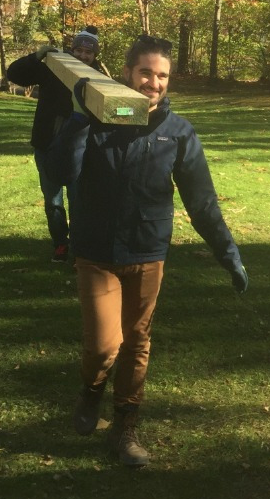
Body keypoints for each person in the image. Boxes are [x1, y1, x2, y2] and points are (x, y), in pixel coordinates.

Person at [47, 33, 248, 467]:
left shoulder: (177, 132)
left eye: (162, 76)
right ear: (126, 73)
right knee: (104, 346)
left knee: (137, 342)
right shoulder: (94, 119)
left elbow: (201, 201)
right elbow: (60, 173)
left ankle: (125, 427)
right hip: (96, 251)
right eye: (145, 73)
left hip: (147, 251)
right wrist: (80, 122)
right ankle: (91, 391)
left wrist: (228, 253)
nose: (153, 83)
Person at [7, 25, 107, 262]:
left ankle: (80, 248)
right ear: (72, 49)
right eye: (79, 50)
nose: (83, 55)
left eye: (88, 52)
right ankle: (61, 243)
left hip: (79, 151)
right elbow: (14, 75)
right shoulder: (53, 69)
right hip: (47, 145)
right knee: (53, 200)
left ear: (94, 55)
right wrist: (36, 57)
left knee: (79, 200)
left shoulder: (98, 77)